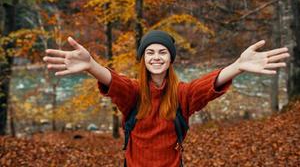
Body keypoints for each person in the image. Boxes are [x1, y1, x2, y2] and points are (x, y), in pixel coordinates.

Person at [43, 30, 290, 167]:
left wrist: (238, 66)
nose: (156, 57)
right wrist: (91, 66)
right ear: (143, 59)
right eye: (149, 52)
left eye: (162, 52)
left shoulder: (182, 95)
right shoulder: (134, 93)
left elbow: (207, 86)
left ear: (171, 58)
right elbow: (114, 82)